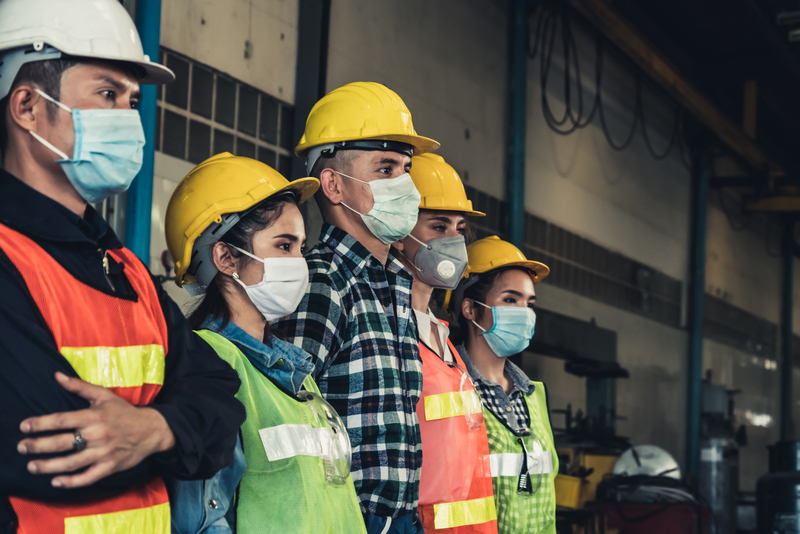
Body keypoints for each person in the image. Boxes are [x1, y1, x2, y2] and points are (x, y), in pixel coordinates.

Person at [0, 1, 245, 532]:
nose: (129, 118)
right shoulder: (7, 257)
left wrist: (152, 430)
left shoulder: (125, 269)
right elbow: (46, 452)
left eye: (132, 101)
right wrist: (177, 433)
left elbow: (224, 411)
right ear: (27, 106)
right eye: (108, 94)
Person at [164, 153, 367, 534]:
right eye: (284, 246)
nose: (299, 263)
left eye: (301, 248)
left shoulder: (294, 372)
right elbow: (203, 517)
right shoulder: (211, 362)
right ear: (226, 257)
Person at [274, 81, 439, 534]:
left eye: (406, 169)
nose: (406, 186)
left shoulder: (395, 284)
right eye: (386, 168)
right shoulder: (321, 283)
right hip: (348, 520)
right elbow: (292, 421)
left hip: (402, 519)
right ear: (333, 184)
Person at [390, 154, 498, 534]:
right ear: (399, 230)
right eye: (438, 226)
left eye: (459, 228)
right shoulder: (387, 333)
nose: (454, 239)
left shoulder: (443, 338)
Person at [445, 237, 558, 534]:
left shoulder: (534, 395)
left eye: (530, 303)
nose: (525, 312)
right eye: (510, 300)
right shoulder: (448, 391)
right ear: (470, 309)